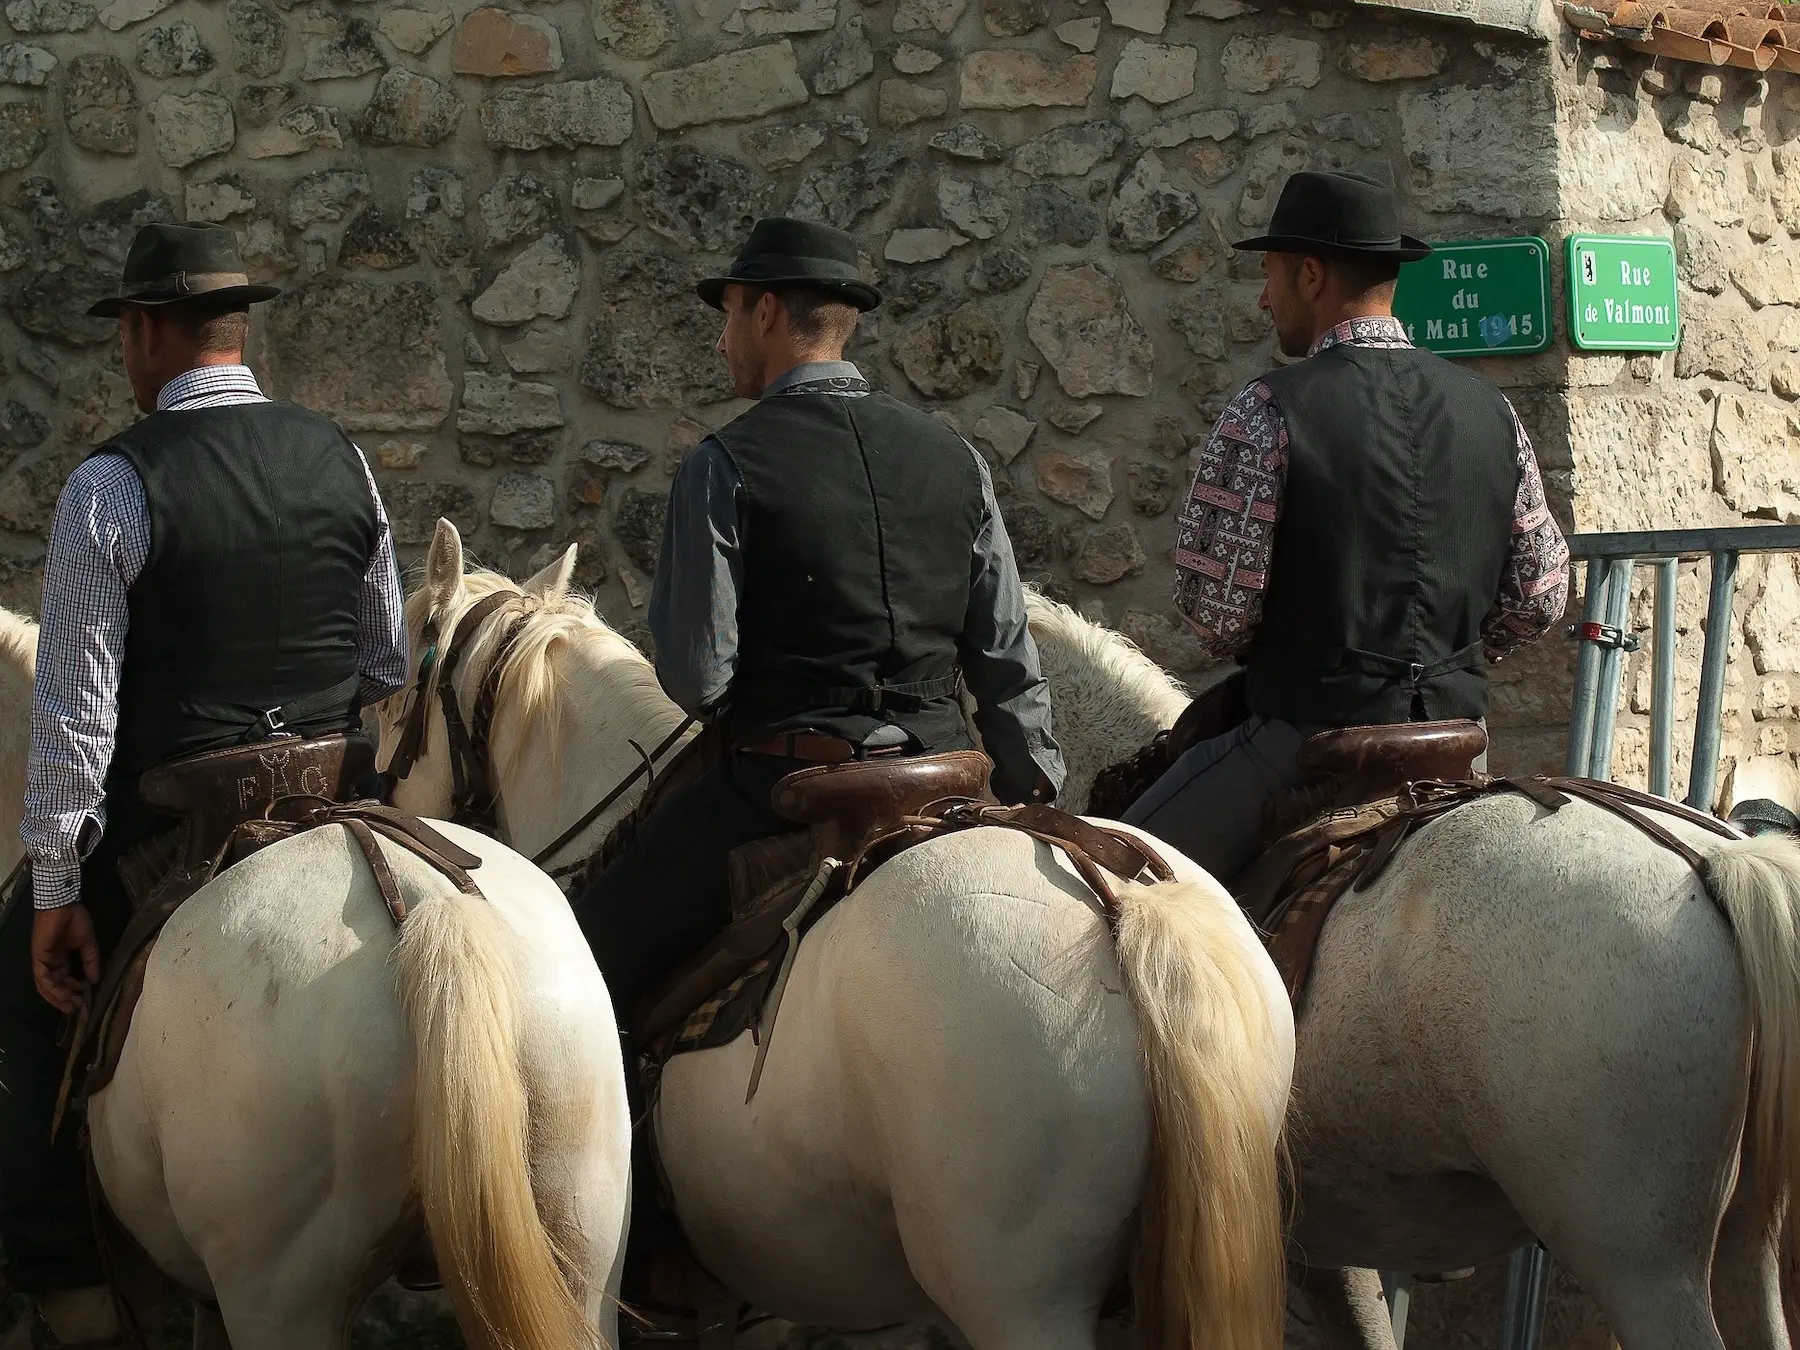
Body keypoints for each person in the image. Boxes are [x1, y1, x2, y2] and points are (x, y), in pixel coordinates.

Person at [0, 221, 408, 1344]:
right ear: (239, 331)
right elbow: (386, 660)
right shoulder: (342, 455)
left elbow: (77, 721)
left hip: (178, 827)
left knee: (13, 1003)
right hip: (336, 798)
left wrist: (51, 894)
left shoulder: (109, 487)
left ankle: (70, 1284)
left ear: (139, 334)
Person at [574, 215, 1064, 1033]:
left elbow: (701, 680)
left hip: (785, 790)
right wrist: (1031, 789)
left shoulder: (723, 463)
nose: (723, 338)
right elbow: (1005, 654)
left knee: (577, 977)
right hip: (947, 779)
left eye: (728, 313)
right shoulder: (956, 455)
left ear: (766, 312)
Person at [1124, 170, 1569, 883]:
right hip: (1459, 745)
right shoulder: (1492, 409)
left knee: (1110, 877)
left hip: (1309, 744)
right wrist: (1440, 658)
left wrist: (1311, 658)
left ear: (1310, 274)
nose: (1263, 298)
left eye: (1269, 274)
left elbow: (1217, 610)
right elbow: (1538, 600)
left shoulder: (1266, 409)